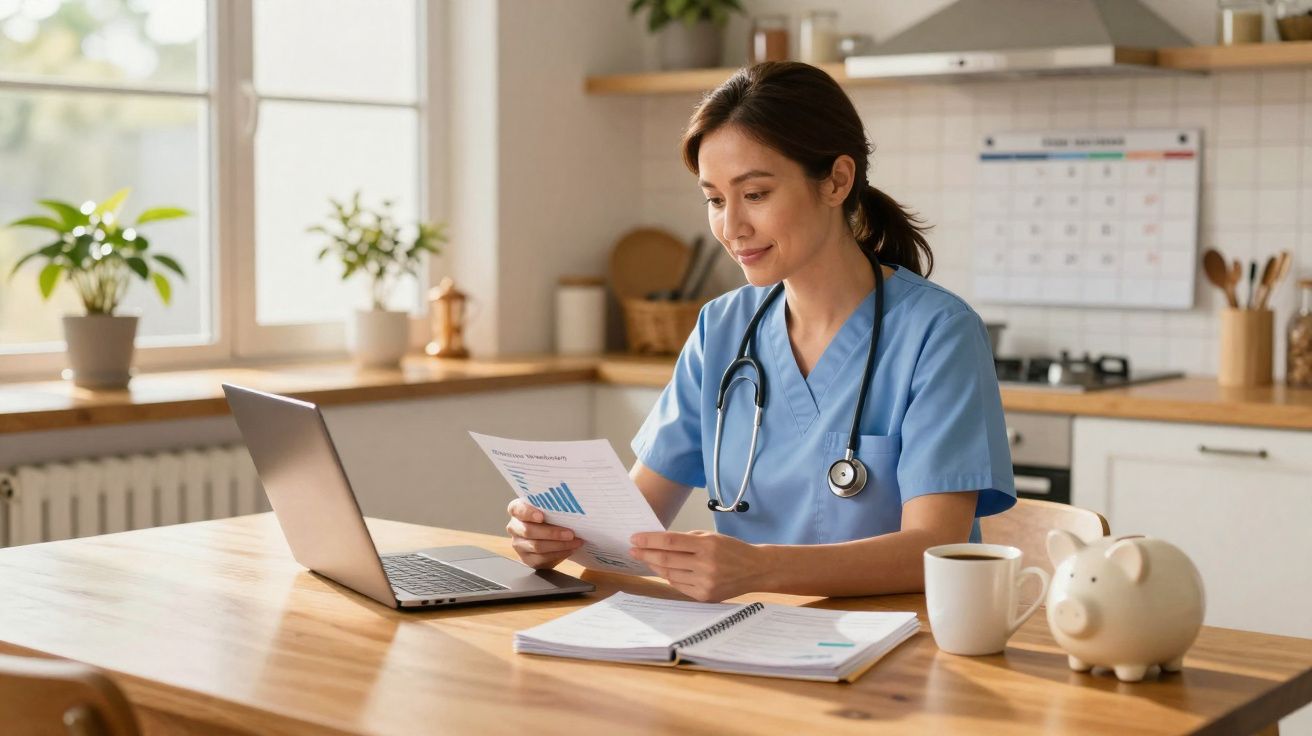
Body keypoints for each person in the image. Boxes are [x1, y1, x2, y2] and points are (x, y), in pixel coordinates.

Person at [505, 62, 1014, 602]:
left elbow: (934, 548)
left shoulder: (938, 333)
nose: (731, 228)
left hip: (897, 648)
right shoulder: (721, 328)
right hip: (744, 641)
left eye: (755, 194)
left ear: (837, 180)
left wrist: (762, 570)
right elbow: (632, 523)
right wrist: (556, 535)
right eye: (715, 200)